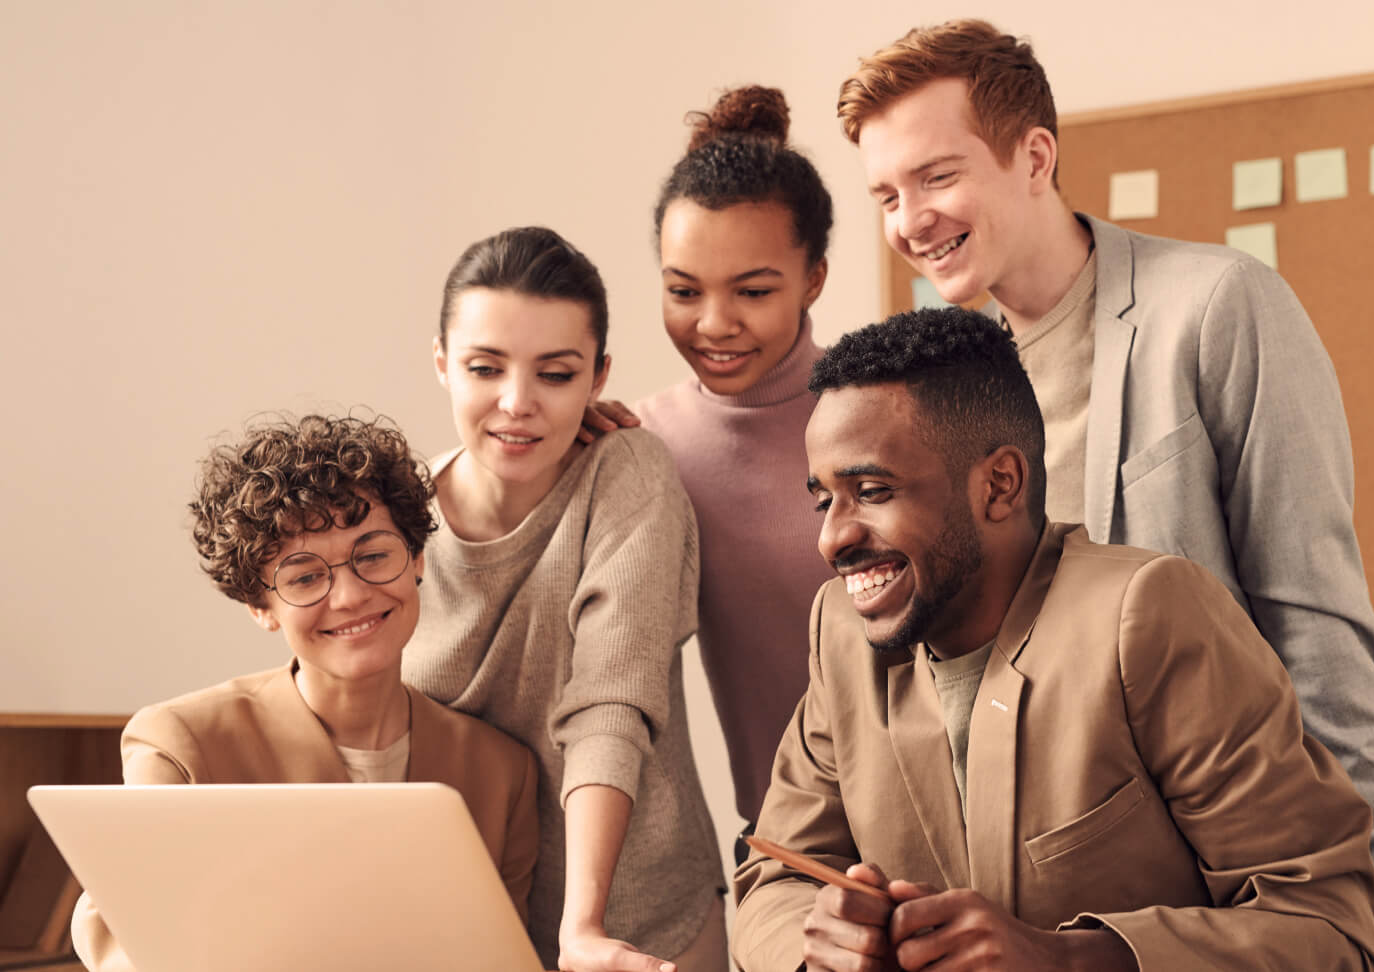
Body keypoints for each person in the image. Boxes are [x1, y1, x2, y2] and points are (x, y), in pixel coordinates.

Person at [836, 17, 1374, 919]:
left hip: (1229, 873)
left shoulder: (1216, 308)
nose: (909, 221)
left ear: (1036, 156)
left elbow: (1312, 617)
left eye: (937, 176)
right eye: (886, 194)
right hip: (1032, 891)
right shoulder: (945, 387)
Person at [733, 307, 1374, 971]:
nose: (831, 538)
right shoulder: (841, 630)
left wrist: (1069, 959)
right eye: (824, 500)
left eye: (871, 491)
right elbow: (772, 879)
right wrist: (822, 946)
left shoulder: (1148, 617)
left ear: (1000, 484)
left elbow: (1329, 931)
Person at [71, 414, 539, 972]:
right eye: (303, 577)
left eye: (372, 555)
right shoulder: (180, 744)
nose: (349, 596)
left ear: (416, 559)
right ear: (259, 606)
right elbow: (126, 934)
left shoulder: (501, 771)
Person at [401, 227, 724, 972]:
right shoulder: (395, 515)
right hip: (462, 927)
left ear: (597, 378)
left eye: (555, 374)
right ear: (444, 364)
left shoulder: (627, 475)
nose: (517, 404)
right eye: (486, 368)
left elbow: (610, 700)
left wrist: (582, 930)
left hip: (636, 922)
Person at [634, 85, 834, 845]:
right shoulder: (643, 444)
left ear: (813, 277)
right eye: (684, 290)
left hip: (956, 827)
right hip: (791, 847)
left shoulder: (885, 414)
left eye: (752, 291)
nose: (713, 325)